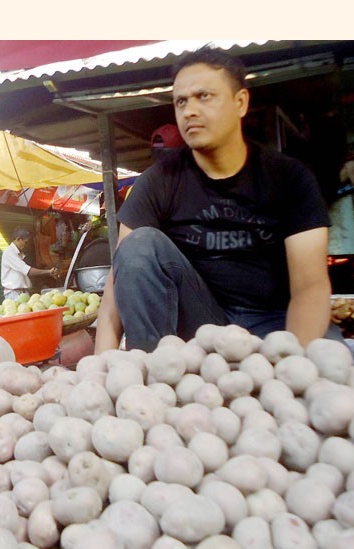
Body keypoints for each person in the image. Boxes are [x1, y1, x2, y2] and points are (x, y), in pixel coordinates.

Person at [95, 46, 333, 353]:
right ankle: (154, 376)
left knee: (335, 366)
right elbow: (119, 286)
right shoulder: (159, 180)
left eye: (203, 96)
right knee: (137, 245)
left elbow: (310, 286)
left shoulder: (289, 178)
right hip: (202, 326)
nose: (189, 110)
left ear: (240, 102)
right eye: (181, 101)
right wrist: (101, 369)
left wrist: (295, 362)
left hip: (274, 324)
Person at [1, 228, 59, 300]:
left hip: (22, 293)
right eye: (26, 242)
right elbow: (28, 271)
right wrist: (48, 272)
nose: (27, 245)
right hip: (15, 293)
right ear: (18, 239)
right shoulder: (9, 252)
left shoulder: (18, 253)